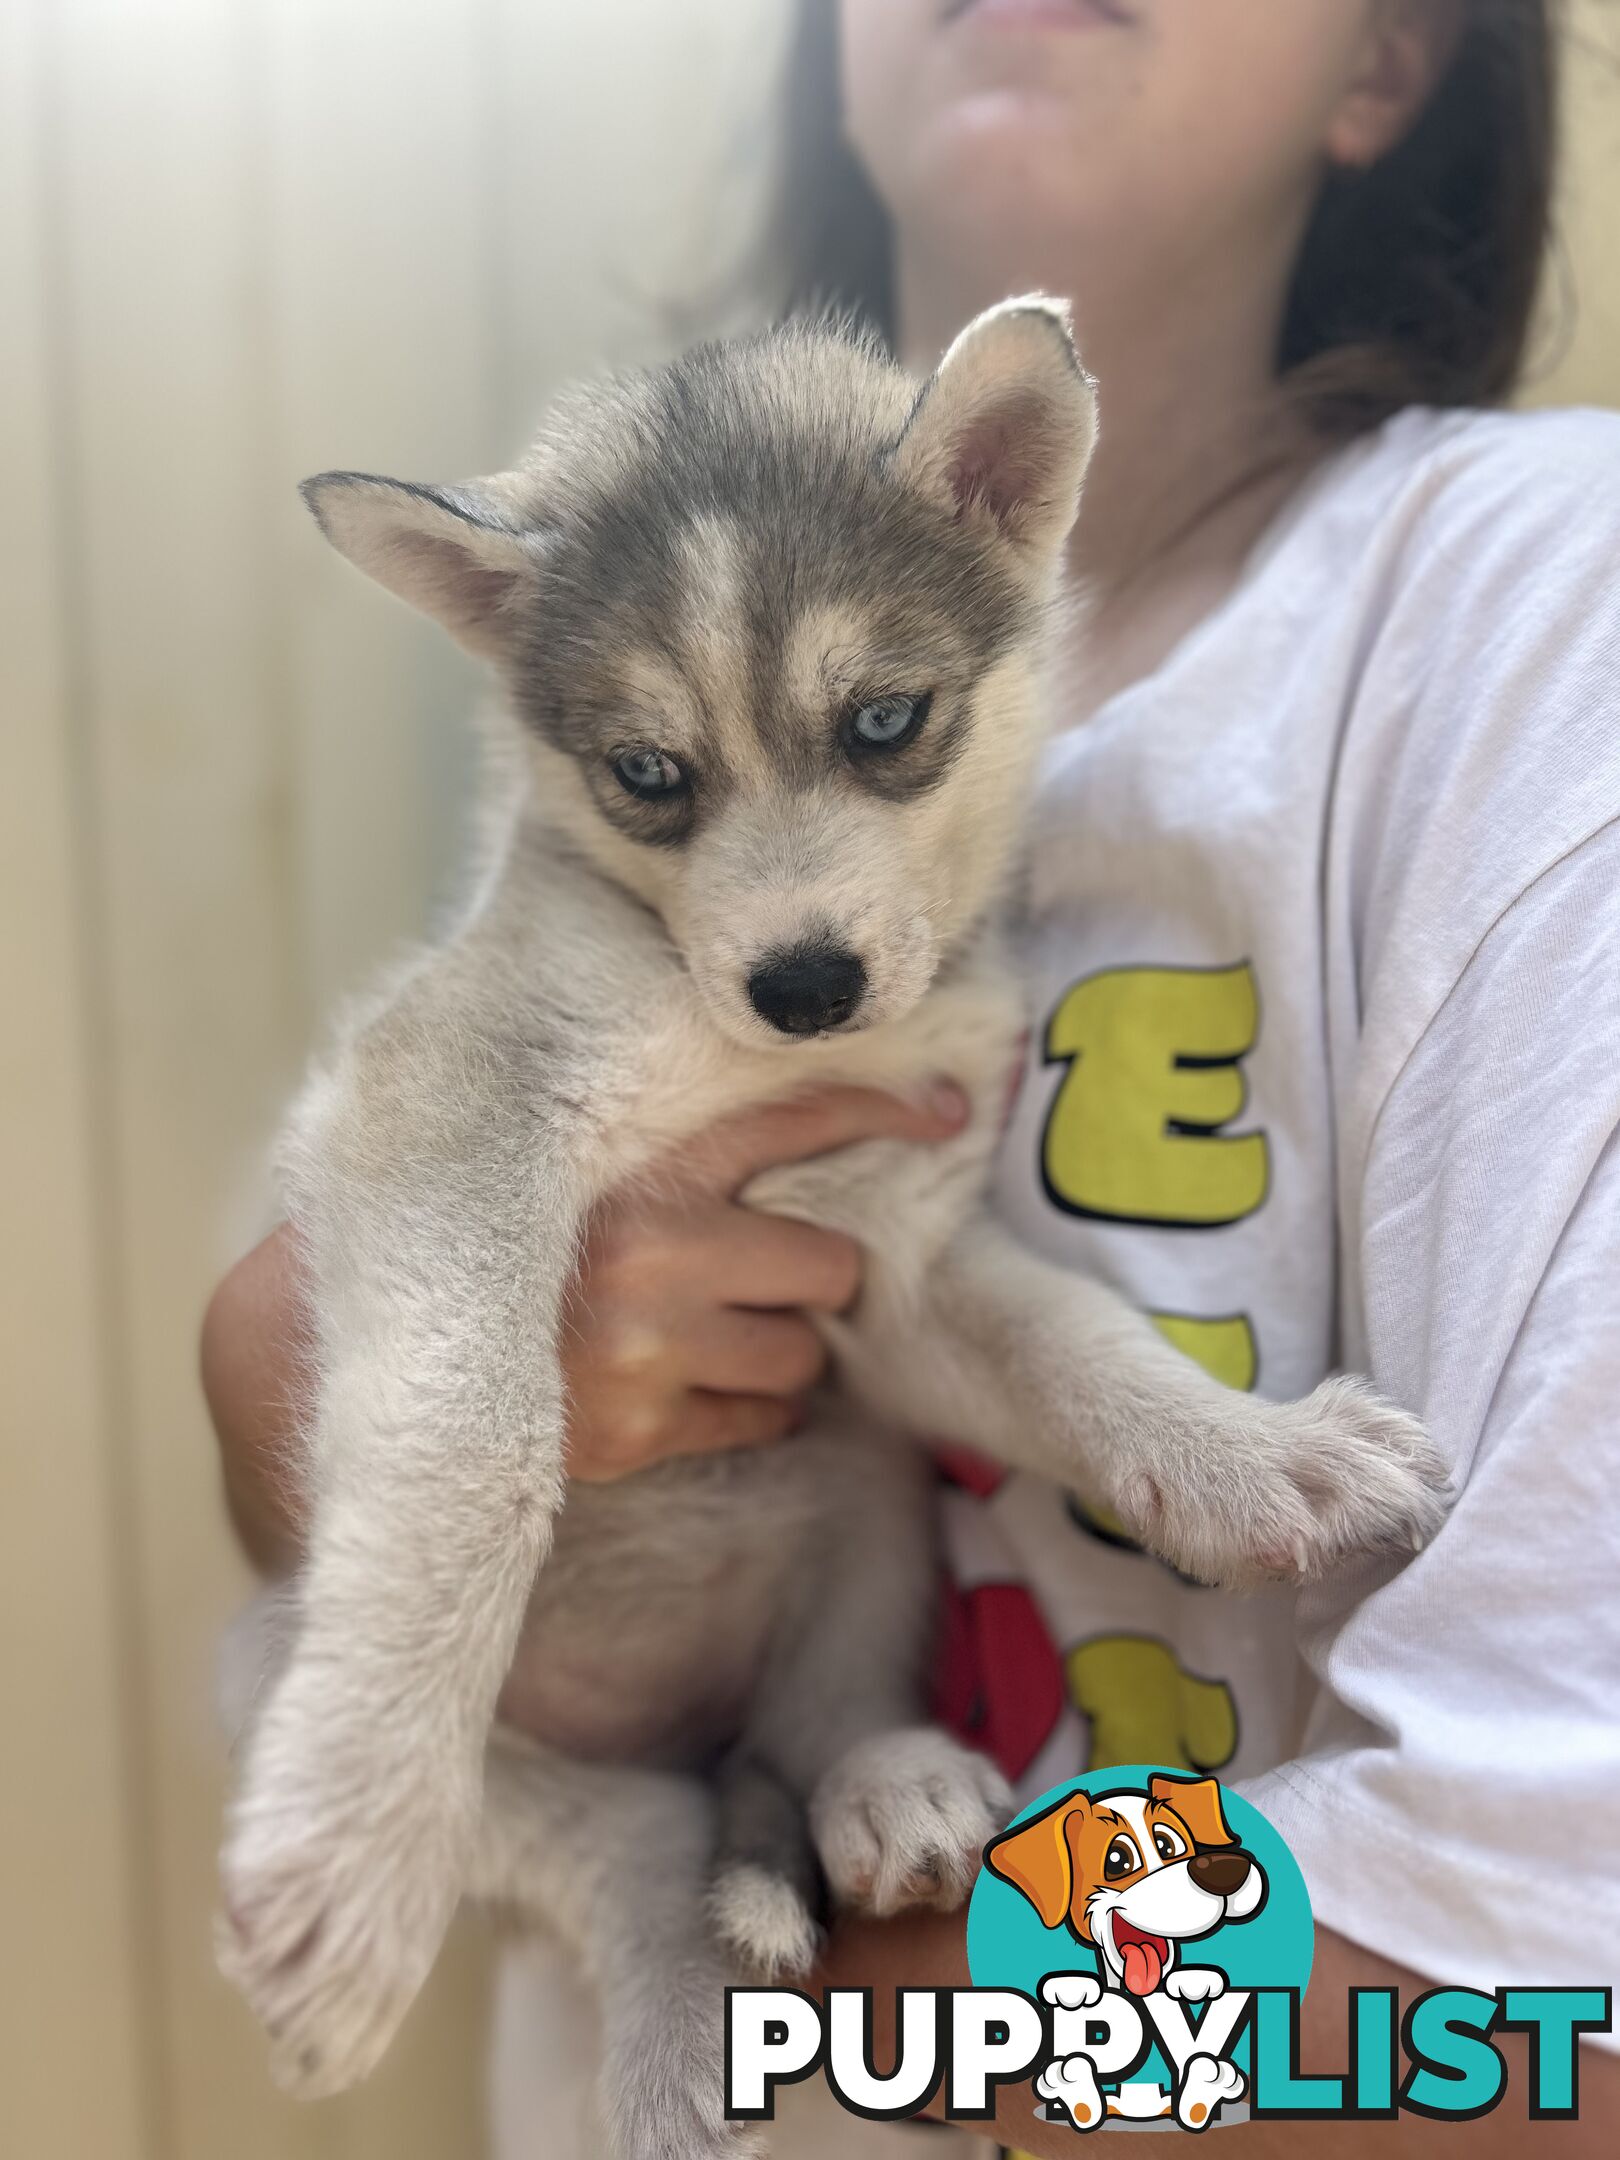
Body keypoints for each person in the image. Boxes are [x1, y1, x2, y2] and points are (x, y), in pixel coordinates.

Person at [204, 1, 1620, 2151]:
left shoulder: (1534, 622)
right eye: (667, 782)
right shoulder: (613, 737)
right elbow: (424, 1436)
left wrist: (849, 2025)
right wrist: (265, 1387)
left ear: (1397, 62)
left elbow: (1538, 1979)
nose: (771, 911)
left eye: (881, 732)